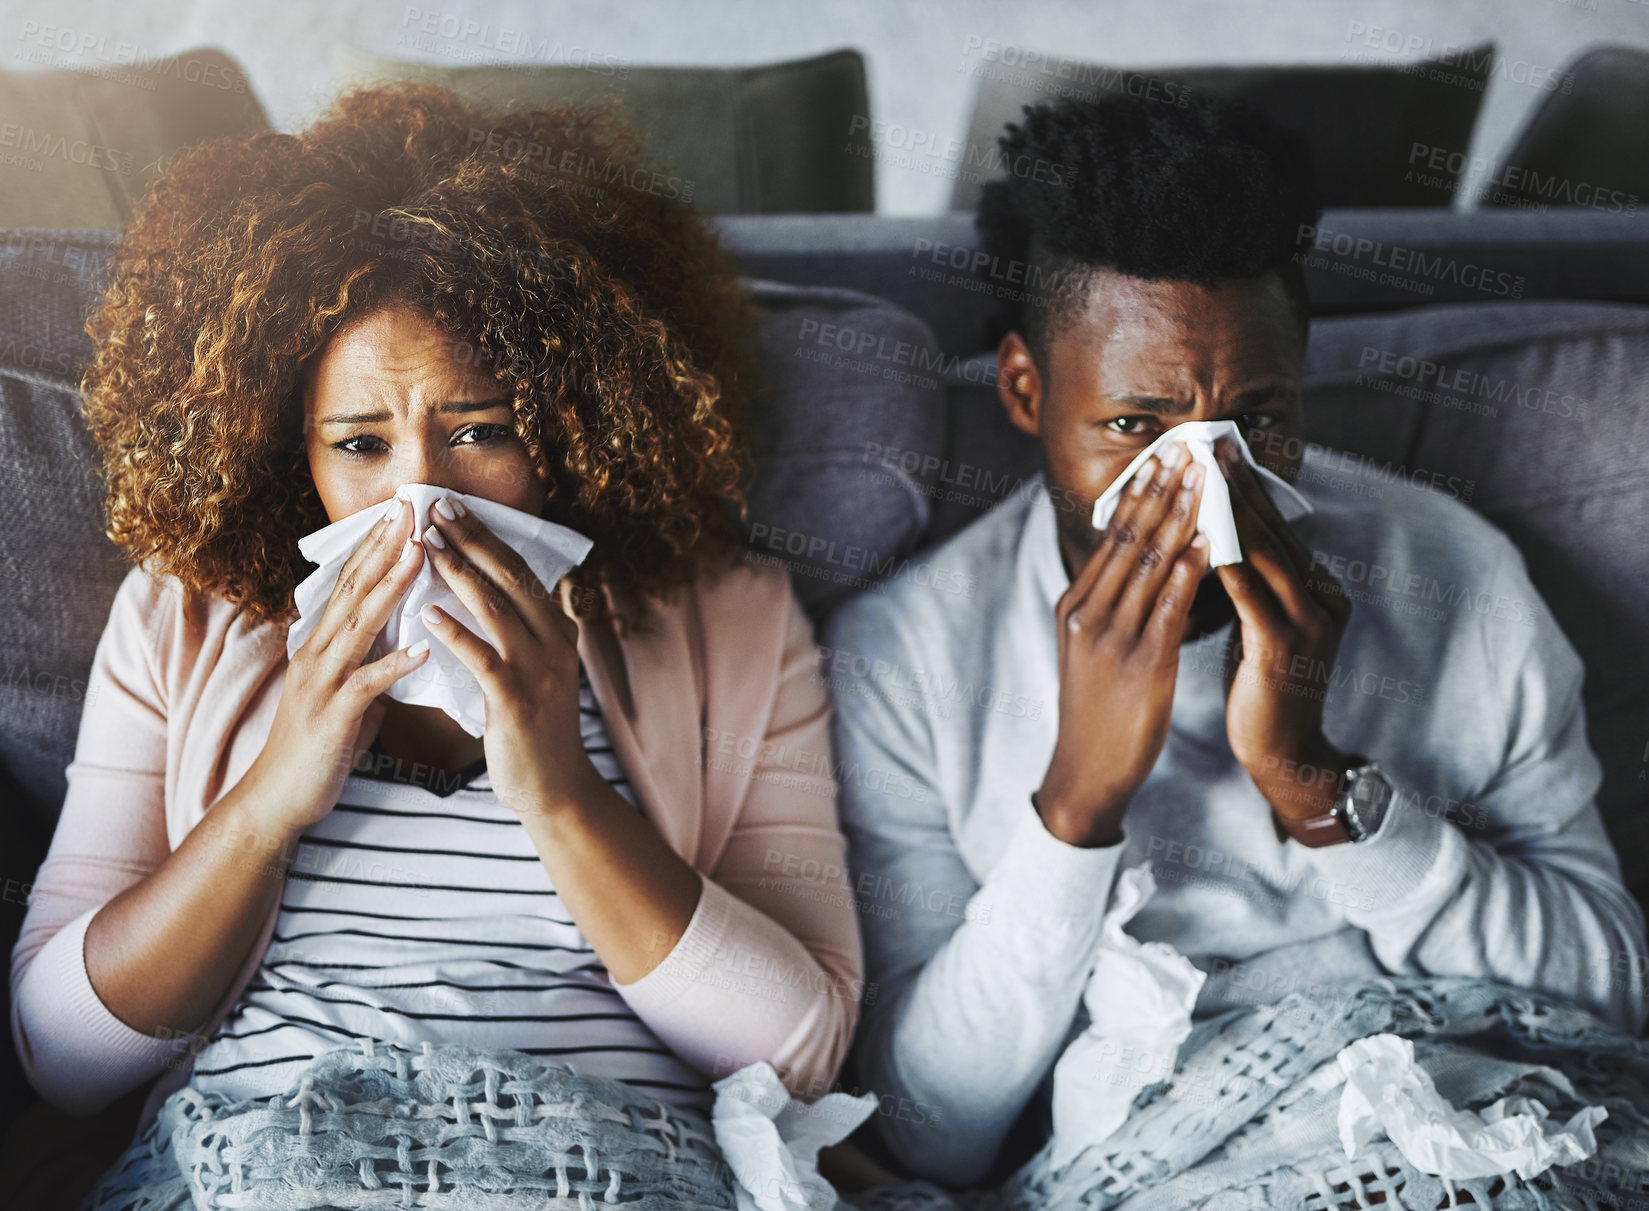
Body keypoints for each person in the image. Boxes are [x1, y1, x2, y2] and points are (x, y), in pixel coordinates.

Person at [9, 83, 862, 1204]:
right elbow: (60, 1059)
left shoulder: (729, 620)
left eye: (479, 431)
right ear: (289, 459)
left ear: (575, 423)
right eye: (361, 443)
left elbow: (803, 1050)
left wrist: (560, 789)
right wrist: (269, 797)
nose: (424, 500)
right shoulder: (184, 617)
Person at [825, 91, 1649, 1187]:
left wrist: (1316, 784)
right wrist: (1075, 808)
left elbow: (1609, 993)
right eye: (1135, 426)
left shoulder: (1453, 574)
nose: (1207, 492)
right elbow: (926, 1129)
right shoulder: (907, 657)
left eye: (1254, 420)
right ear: (1025, 390)